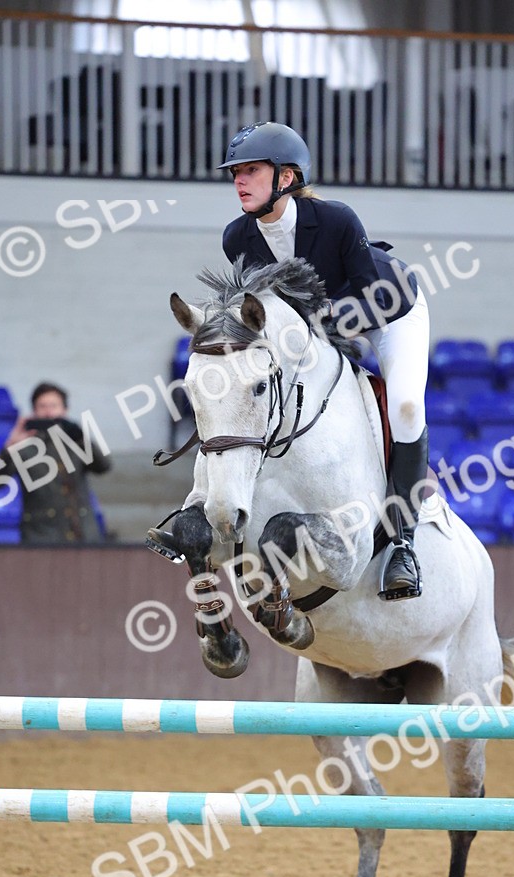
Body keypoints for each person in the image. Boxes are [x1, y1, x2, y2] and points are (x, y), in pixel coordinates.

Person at [149, 122, 431, 600]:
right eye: (236, 173)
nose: (239, 181)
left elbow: (372, 298)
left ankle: (402, 542)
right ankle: (198, 505)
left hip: (389, 309)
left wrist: (317, 329)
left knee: (405, 407)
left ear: (287, 177)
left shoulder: (337, 220)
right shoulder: (237, 236)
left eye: (251, 171)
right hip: (316, 327)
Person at [2, 382, 110, 544]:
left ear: (64, 410)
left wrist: (81, 438)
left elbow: (103, 467)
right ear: (34, 412)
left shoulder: (76, 442)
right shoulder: (24, 446)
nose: (48, 412)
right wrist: (10, 446)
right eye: (42, 406)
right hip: (40, 536)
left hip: (81, 533)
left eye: (54, 406)